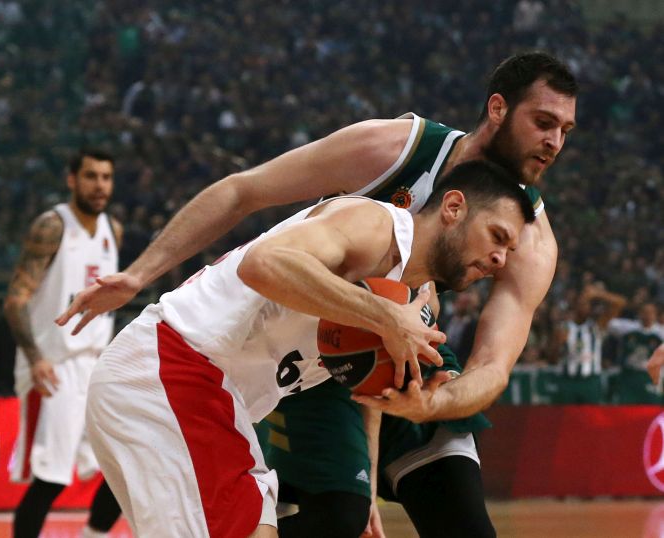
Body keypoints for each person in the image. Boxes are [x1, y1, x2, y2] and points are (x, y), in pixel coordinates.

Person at [57, 51, 577, 537]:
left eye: (566, 131)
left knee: (461, 519)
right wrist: (140, 274)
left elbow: (491, 368)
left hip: (345, 349)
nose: (555, 142)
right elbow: (245, 196)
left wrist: (429, 404)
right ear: (498, 109)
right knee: (336, 511)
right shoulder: (396, 156)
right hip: (220, 354)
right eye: (543, 122)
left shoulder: (525, 246)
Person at [77, 161, 535, 538]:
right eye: (496, 236)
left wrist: (407, 412)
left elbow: (364, 392)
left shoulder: (415, 298)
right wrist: (383, 316)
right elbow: (263, 262)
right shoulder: (375, 225)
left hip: (203, 397)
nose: (499, 261)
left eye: (510, 251)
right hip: (173, 368)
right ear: (454, 207)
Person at [5, 148, 123, 538]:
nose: (100, 185)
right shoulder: (51, 226)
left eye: (106, 177)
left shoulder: (113, 230)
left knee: (124, 466)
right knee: (52, 479)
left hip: (97, 365)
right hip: (53, 365)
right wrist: (35, 359)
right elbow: (15, 300)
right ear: (72, 180)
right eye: (91, 176)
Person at [551, 284, 625, 404]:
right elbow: (552, 359)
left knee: (591, 414)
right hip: (567, 380)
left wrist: (598, 294)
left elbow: (620, 303)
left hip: (590, 381)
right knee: (566, 414)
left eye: (586, 304)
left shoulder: (597, 326)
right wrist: (557, 346)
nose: (583, 307)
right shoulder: (563, 329)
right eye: (580, 303)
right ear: (574, 306)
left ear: (590, 307)